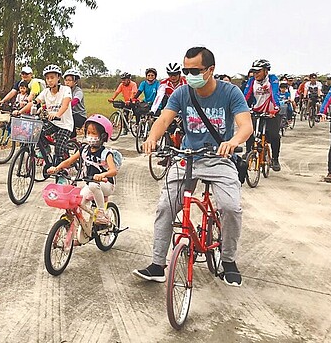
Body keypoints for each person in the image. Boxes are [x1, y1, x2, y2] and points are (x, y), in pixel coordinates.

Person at [133, 46, 252, 287]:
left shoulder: (231, 93)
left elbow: (245, 125)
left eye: (194, 70)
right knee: (166, 206)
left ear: (210, 70)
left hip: (220, 158)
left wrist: (232, 142)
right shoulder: (182, 93)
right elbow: (164, 119)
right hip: (188, 157)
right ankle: (158, 265)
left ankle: (228, 260)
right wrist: (152, 138)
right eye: (186, 70)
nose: (189, 75)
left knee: (230, 208)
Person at [48, 114, 117, 225]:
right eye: (88, 133)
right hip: (90, 184)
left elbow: (114, 171)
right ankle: (82, 231)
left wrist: (103, 175)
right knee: (79, 202)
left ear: (103, 136)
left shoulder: (106, 153)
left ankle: (101, 213)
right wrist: (56, 168)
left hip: (106, 184)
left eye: (94, 133)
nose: (90, 136)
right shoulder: (84, 149)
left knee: (93, 186)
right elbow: (69, 161)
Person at [18, 65, 74, 167]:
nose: (50, 80)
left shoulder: (66, 90)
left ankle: (62, 171)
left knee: (58, 149)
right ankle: (46, 150)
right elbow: (34, 102)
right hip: (52, 123)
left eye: (52, 77)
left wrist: (57, 114)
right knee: (36, 132)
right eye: (47, 78)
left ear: (58, 78)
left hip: (65, 125)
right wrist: (20, 111)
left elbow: (65, 105)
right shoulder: (45, 92)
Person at [243, 59, 282, 171]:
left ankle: (275, 158)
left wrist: (276, 108)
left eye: (258, 71)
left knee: (274, 136)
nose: (255, 74)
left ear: (266, 71)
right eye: (254, 72)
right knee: (250, 131)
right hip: (257, 110)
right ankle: (248, 151)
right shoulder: (251, 81)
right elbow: (246, 95)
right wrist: (241, 107)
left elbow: (274, 94)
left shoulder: (272, 79)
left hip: (271, 111)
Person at [63, 68, 87, 137]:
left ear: (75, 81)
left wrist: (64, 105)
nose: (67, 82)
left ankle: (72, 139)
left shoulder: (78, 91)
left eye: (69, 80)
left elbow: (75, 101)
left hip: (80, 115)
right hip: (69, 114)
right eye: (66, 80)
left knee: (69, 120)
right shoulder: (64, 91)